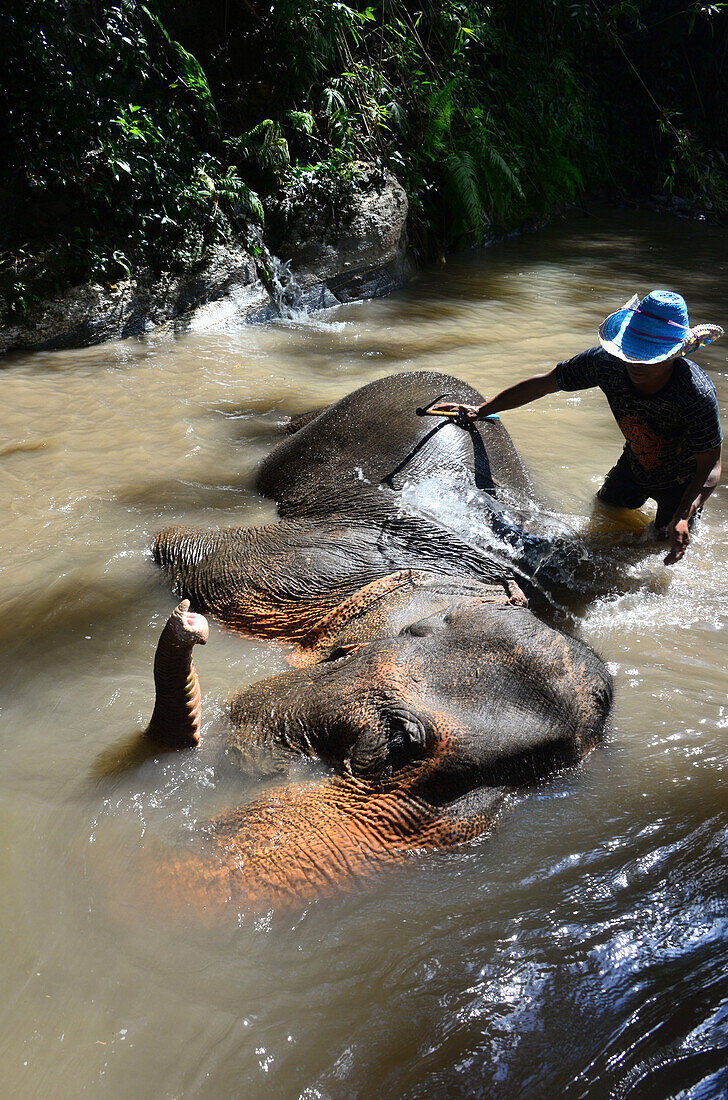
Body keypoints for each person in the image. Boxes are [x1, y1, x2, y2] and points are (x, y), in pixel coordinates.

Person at [433, 290, 723, 565]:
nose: (634, 363)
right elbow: (545, 384)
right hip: (635, 462)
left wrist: (684, 513)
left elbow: (710, 467)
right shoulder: (606, 363)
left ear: (674, 355)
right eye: (631, 353)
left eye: (647, 358)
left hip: (682, 485)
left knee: (656, 549)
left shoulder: (695, 394)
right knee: (604, 512)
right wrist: (482, 410)